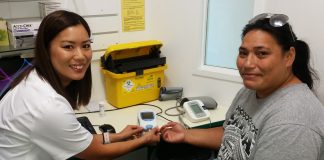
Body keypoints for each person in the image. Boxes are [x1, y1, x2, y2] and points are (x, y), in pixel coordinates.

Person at [160, 13, 324, 160]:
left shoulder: (292, 124)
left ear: (289, 57)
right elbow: (231, 136)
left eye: (262, 53)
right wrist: (186, 134)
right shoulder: (251, 90)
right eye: (243, 53)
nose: (247, 63)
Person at [0, 10, 160, 160]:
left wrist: (117, 136)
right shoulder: (48, 105)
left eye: (85, 45)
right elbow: (93, 152)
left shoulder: (35, 78)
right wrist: (144, 140)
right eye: (68, 46)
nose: (81, 56)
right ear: (46, 49)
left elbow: (84, 141)